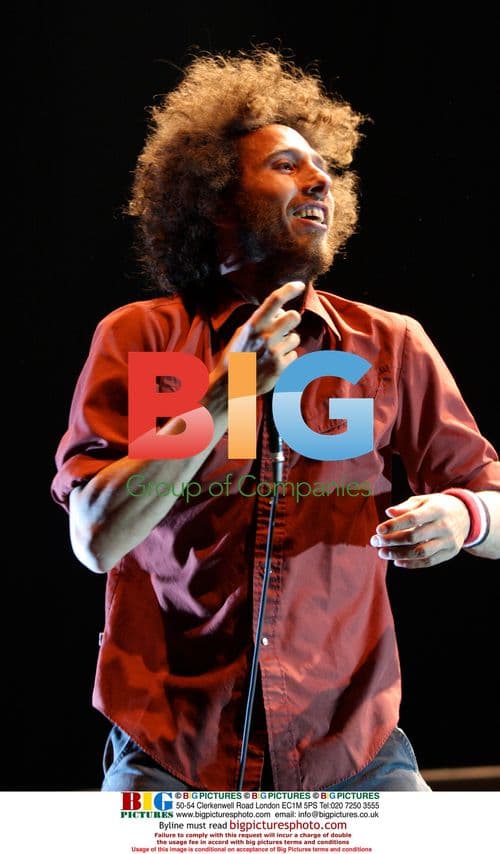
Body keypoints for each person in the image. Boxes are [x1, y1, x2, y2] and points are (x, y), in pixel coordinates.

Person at [51, 49, 500, 793]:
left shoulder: (389, 344)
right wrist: (229, 391)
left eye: (325, 168)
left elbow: (498, 504)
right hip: (172, 754)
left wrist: (465, 518)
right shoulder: (141, 337)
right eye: (288, 165)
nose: (320, 179)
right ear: (215, 197)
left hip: (351, 752)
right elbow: (96, 537)